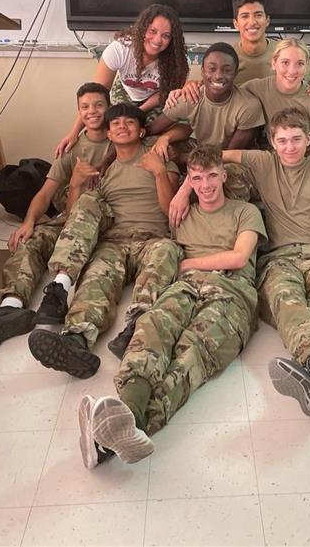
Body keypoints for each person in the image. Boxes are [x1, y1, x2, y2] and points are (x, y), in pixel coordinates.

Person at [77, 145, 267, 467]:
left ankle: (118, 430)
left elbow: (238, 257)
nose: (205, 185)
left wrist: (189, 262)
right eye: (196, 178)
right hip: (185, 288)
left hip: (232, 292)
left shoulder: (245, 211)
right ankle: (121, 422)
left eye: (211, 176)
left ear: (223, 175)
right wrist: (181, 191)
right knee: (152, 330)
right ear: (189, 181)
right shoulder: (182, 213)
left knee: (191, 352)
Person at [199, 108, 310, 417]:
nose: (289, 147)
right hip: (278, 258)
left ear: (308, 139)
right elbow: (212, 159)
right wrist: (181, 191)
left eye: (296, 139)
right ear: (271, 142)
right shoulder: (261, 161)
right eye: (282, 140)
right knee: (289, 303)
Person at [28, 103, 182, 378]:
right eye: (116, 124)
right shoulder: (104, 169)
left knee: (165, 259)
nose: (122, 126)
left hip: (154, 238)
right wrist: (75, 184)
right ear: (109, 133)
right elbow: (78, 214)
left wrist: (159, 172)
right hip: (114, 240)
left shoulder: (158, 157)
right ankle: (75, 341)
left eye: (129, 122)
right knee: (96, 278)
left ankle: (135, 329)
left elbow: (170, 209)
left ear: (142, 130)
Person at [0, 83, 112, 348]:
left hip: (103, 225)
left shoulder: (121, 140)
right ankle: (10, 307)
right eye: (85, 107)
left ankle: (60, 297)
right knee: (32, 242)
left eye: (99, 105)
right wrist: (29, 222)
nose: (93, 112)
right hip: (69, 219)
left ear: (108, 107)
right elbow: (45, 194)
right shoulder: (72, 150)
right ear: (78, 111)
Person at [55, 4, 189, 157]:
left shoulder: (176, 60)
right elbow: (96, 95)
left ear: (172, 40)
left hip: (156, 99)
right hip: (124, 93)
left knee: (154, 126)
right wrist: (74, 133)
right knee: (111, 125)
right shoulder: (120, 49)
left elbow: (165, 94)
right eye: (152, 31)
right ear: (143, 28)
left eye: (166, 36)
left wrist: (139, 112)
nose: (157, 40)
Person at [146, 42, 264, 164]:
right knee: (156, 148)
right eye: (212, 69)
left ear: (235, 73)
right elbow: (151, 129)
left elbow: (229, 155)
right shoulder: (190, 96)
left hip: (229, 159)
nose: (218, 76)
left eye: (227, 70)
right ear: (202, 71)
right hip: (199, 150)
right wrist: (163, 139)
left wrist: (182, 159)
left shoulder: (248, 106)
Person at [241, 39, 310, 152]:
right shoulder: (256, 88)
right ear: (274, 63)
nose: (292, 71)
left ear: (306, 66)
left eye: (300, 64)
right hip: (274, 158)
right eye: (285, 62)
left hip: (309, 158)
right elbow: (229, 95)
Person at [232, 0, 276, 84]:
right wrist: (193, 86)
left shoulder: (284, 53)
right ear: (236, 24)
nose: (252, 22)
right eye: (245, 16)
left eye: (258, 15)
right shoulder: (227, 57)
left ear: (267, 20)